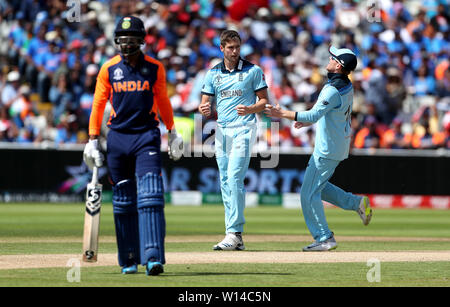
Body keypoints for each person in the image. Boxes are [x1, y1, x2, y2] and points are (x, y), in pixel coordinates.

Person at [83, 16, 183, 275]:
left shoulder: (155, 68)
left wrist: (172, 131)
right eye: (122, 41)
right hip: (117, 137)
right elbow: (97, 103)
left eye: (132, 41)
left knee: (150, 195)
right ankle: (128, 258)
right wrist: (93, 139)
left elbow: (162, 100)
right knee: (123, 200)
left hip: (146, 136)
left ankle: (153, 258)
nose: (126, 45)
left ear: (141, 41)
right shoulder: (108, 69)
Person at [264, 46, 373, 251]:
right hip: (337, 144)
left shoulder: (332, 89)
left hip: (327, 148)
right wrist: (306, 121)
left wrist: (283, 113)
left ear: (338, 66)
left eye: (333, 58)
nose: (329, 59)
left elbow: (313, 115)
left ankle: (324, 237)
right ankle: (355, 203)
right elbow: (326, 114)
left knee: (308, 194)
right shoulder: (345, 85)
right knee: (319, 188)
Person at [198, 30, 269, 251]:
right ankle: (235, 236)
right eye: (230, 47)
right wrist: (204, 108)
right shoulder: (212, 74)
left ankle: (234, 232)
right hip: (222, 130)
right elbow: (204, 103)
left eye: (237, 47)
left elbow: (264, 101)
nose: (235, 51)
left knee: (235, 177)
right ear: (222, 48)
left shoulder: (253, 71)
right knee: (225, 181)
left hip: (245, 128)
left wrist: (249, 108)